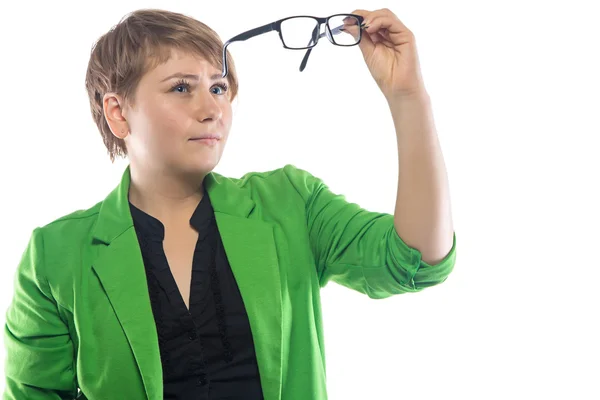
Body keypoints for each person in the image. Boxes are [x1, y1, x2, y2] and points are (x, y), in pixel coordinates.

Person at [3, 8, 457, 400]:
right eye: (182, 87)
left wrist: (407, 95)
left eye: (219, 88)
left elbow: (415, 259)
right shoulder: (55, 255)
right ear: (119, 113)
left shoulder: (288, 203)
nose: (212, 108)